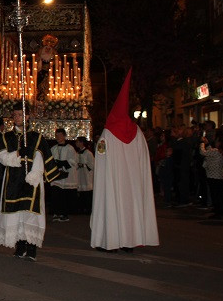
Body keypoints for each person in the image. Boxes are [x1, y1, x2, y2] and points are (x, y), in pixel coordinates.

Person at [90, 69, 159, 252]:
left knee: (112, 206)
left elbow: (102, 159)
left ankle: (110, 242)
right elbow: (144, 160)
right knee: (130, 209)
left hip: (113, 182)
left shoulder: (107, 133)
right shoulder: (138, 133)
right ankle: (130, 241)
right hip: (133, 184)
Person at [0, 102, 57, 262]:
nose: (17, 118)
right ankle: (19, 245)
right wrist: (19, 153)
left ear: (27, 116)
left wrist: (34, 175)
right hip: (13, 181)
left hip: (31, 181)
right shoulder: (6, 137)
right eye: (14, 115)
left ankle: (31, 248)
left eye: (20, 115)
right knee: (16, 213)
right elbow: (1, 157)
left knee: (30, 214)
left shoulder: (36, 137)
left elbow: (41, 158)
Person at [50, 128, 78, 222]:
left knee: (64, 195)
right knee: (55, 193)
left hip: (65, 175)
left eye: (60, 135)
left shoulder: (70, 148)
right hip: (56, 175)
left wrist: (62, 163)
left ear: (64, 136)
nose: (58, 137)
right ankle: (56, 213)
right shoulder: (53, 148)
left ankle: (64, 214)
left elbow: (73, 161)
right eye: (56, 135)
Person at [199, 136, 223, 219]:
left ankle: (218, 211)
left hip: (213, 175)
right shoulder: (220, 151)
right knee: (221, 194)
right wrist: (207, 144)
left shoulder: (216, 151)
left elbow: (203, 152)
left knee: (215, 194)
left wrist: (202, 143)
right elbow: (209, 151)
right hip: (219, 175)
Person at [75, 136, 94, 214]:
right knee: (81, 192)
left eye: (77, 142)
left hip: (86, 175)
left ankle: (88, 209)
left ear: (81, 143)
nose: (76, 143)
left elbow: (92, 164)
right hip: (80, 174)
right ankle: (81, 208)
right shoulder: (77, 153)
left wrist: (84, 165)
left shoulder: (88, 153)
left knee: (87, 192)